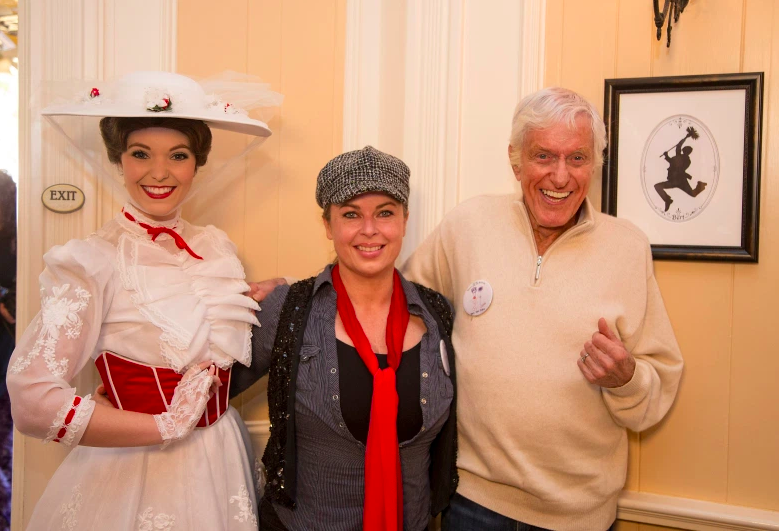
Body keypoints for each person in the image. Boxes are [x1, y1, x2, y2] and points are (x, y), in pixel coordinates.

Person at [7, 71, 281, 530]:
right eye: (141, 155)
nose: (159, 172)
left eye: (178, 155)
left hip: (219, 457)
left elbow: (206, 333)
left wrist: (265, 295)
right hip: (137, 468)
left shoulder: (214, 247)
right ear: (119, 160)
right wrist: (163, 426)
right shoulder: (91, 261)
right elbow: (32, 400)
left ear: (197, 163)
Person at [401, 87, 684, 531]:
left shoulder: (627, 247)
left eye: (577, 158)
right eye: (544, 156)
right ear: (515, 160)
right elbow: (394, 303)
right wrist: (297, 295)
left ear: (595, 164)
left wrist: (626, 378)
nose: (560, 177)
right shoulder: (467, 226)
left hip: (580, 516)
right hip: (473, 501)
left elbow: (655, 389)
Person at [230, 146, 458, 531]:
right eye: (351, 214)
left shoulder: (439, 314)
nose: (369, 230)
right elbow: (211, 390)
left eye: (385, 212)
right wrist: (130, 393)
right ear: (328, 225)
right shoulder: (289, 310)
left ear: (404, 220)